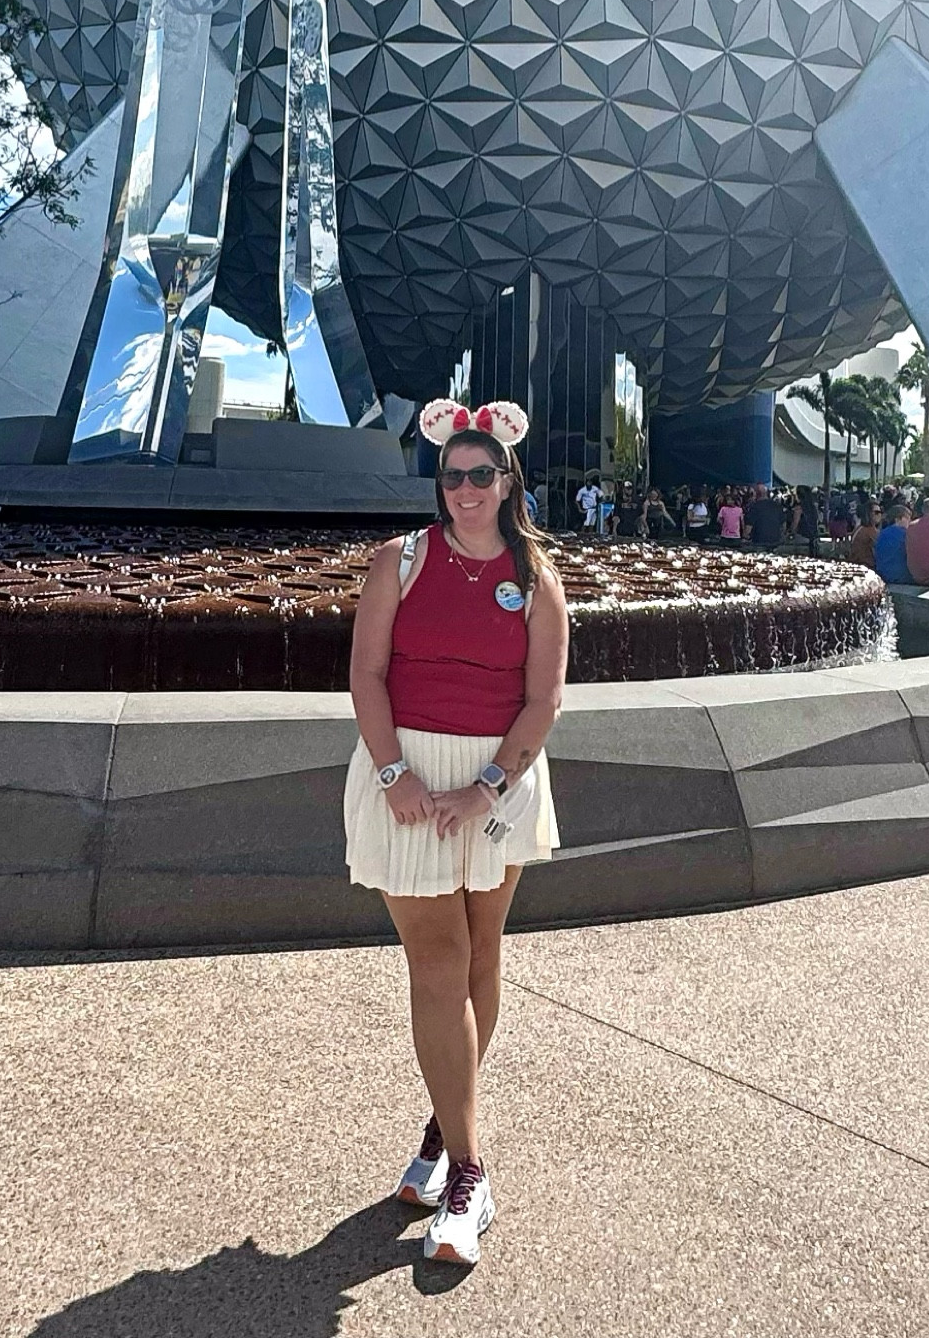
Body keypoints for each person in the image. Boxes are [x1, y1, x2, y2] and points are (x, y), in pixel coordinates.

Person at [345, 397, 567, 1266]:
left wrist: (487, 787)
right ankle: (473, 1174)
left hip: (496, 783)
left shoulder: (537, 576)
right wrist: (397, 775)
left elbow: (543, 699)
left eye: (481, 475)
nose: (465, 489)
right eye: (452, 476)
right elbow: (367, 676)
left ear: (508, 480)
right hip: (407, 779)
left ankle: (445, 1130)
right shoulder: (396, 562)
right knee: (436, 959)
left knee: (482, 952)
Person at [873, 505, 911, 583]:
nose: (909, 522)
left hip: (883, 575)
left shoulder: (881, 534)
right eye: (907, 518)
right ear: (898, 519)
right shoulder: (906, 534)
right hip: (902, 576)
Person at [848, 504, 879, 570]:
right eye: (876, 512)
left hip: (854, 564)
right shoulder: (871, 531)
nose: (879, 515)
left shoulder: (858, 528)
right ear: (869, 514)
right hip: (867, 566)